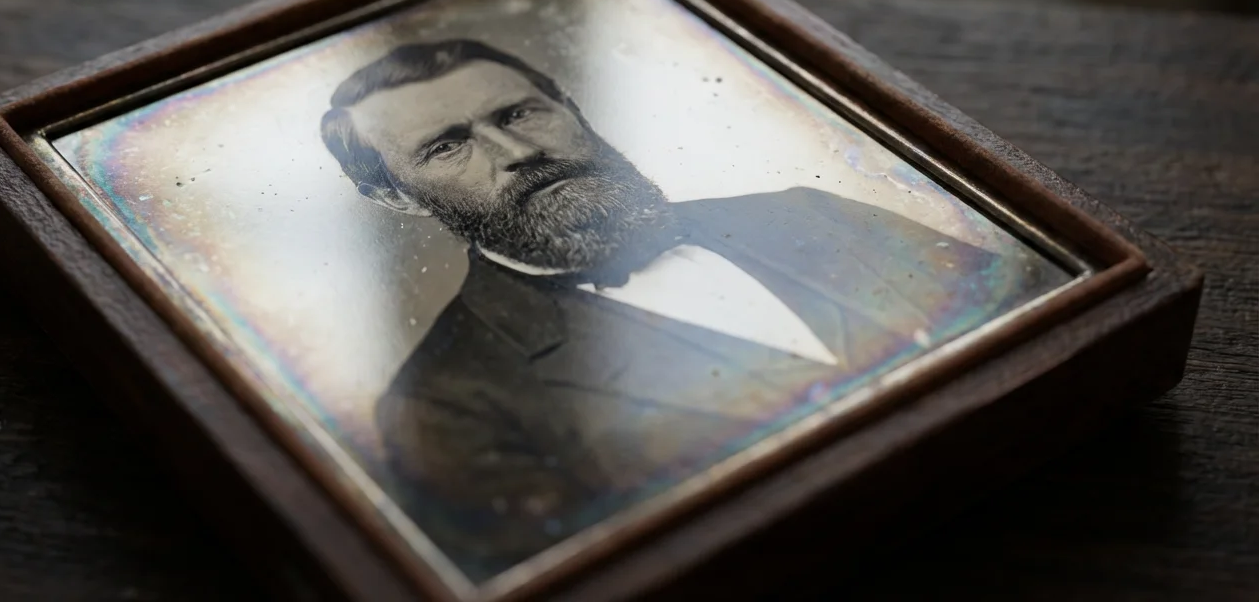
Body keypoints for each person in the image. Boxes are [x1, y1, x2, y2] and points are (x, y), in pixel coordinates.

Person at [320, 38, 1044, 581]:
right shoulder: (443, 406)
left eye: (518, 113)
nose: (515, 151)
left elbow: (1037, 319)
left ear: (570, 108)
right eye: (447, 147)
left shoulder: (810, 215)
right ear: (394, 197)